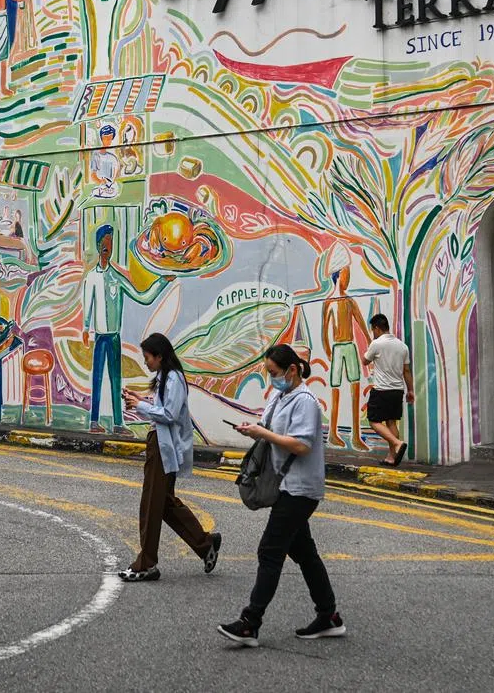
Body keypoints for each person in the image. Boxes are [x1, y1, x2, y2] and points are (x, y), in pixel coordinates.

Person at [219, 344, 345, 647]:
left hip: (300, 489)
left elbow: (301, 445)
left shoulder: (306, 402)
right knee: (304, 553)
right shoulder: (281, 395)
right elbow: (271, 429)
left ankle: (250, 622)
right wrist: (254, 429)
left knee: (270, 550)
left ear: (291, 370)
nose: (271, 379)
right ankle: (329, 616)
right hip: (287, 485)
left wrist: (263, 434)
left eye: (274, 373)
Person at [119, 333, 221, 582]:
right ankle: (204, 543)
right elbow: (163, 407)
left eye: (147, 358)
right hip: (162, 445)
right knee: (163, 503)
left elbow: (169, 414)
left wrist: (141, 406)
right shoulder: (166, 377)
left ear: (159, 356)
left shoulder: (173, 378)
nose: (146, 363)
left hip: (164, 448)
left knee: (151, 506)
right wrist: (140, 400)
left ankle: (146, 564)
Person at [82, 224, 170, 434]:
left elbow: (143, 297)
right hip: (100, 337)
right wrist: (86, 328)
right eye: (104, 243)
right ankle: (94, 420)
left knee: (115, 380)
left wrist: (161, 282)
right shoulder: (92, 277)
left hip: (113, 337)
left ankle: (118, 423)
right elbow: (88, 304)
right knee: (97, 379)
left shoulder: (116, 277)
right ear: (98, 245)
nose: (107, 247)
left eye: (110, 243)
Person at [322, 263, 370, 449]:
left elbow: (360, 322)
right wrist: (327, 348)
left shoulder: (349, 301)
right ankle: (333, 433)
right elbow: (325, 329)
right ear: (337, 277)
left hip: (349, 347)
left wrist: (368, 339)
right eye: (345, 275)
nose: (347, 279)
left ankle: (355, 435)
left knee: (355, 387)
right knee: (335, 388)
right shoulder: (329, 302)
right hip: (337, 347)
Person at [363, 313, 413, 466]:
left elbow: (365, 361)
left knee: (373, 421)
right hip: (397, 390)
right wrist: (410, 390)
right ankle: (391, 458)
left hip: (382, 390)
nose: (373, 333)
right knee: (391, 423)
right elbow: (406, 371)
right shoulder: (402, 346)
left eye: (373, 330)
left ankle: (397, 443)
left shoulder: (377, 344)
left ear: (377, 328)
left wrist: (372, 344)